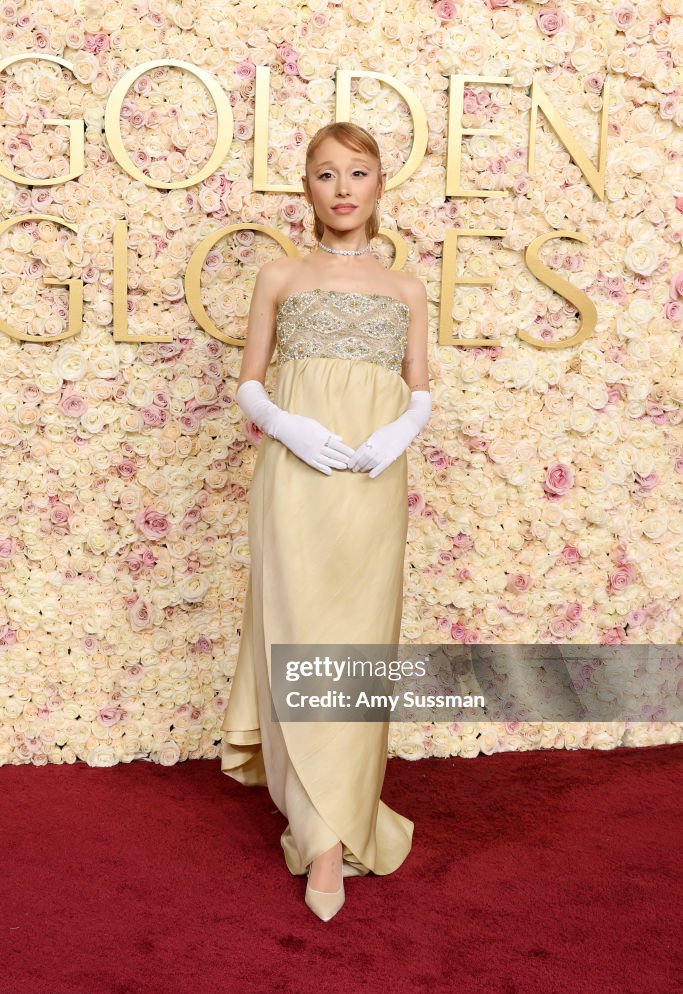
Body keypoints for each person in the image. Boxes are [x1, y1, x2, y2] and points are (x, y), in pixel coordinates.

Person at [220, 121, 431, 921]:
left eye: (358, 172)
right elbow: (247, 382)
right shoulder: (278, 274)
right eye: (324, 174)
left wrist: (399, 433)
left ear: (380, 184)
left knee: (356, 641)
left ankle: (339, 822)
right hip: (295, 477)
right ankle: (320, 842)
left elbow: (419, 387)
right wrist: (286, 426)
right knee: (295, 631)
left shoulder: (407, 288)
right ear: (303, 187)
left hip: (371, 482)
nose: (342, 188)